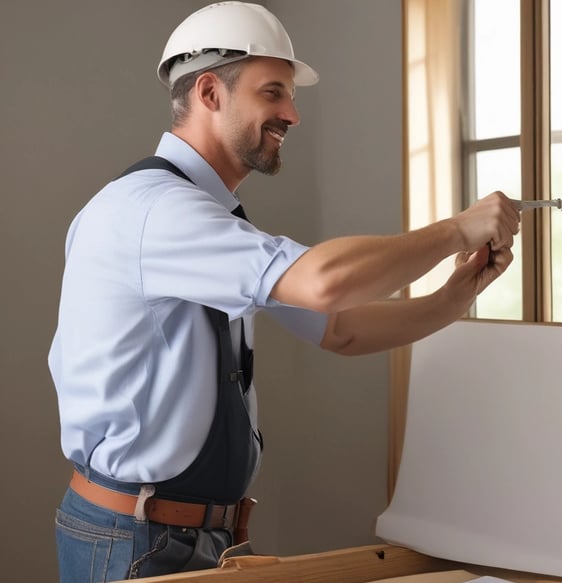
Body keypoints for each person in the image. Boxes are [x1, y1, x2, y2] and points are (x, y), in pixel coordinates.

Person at [48, 2, 520, 581]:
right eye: (273, 93)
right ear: (209, 93)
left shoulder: (210, 223)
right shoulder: (155, 212)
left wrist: (453, 296)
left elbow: (340, 327)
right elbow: (323, 283)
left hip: (184, 534)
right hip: (137, 538)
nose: (292, 114)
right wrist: (455, 230)